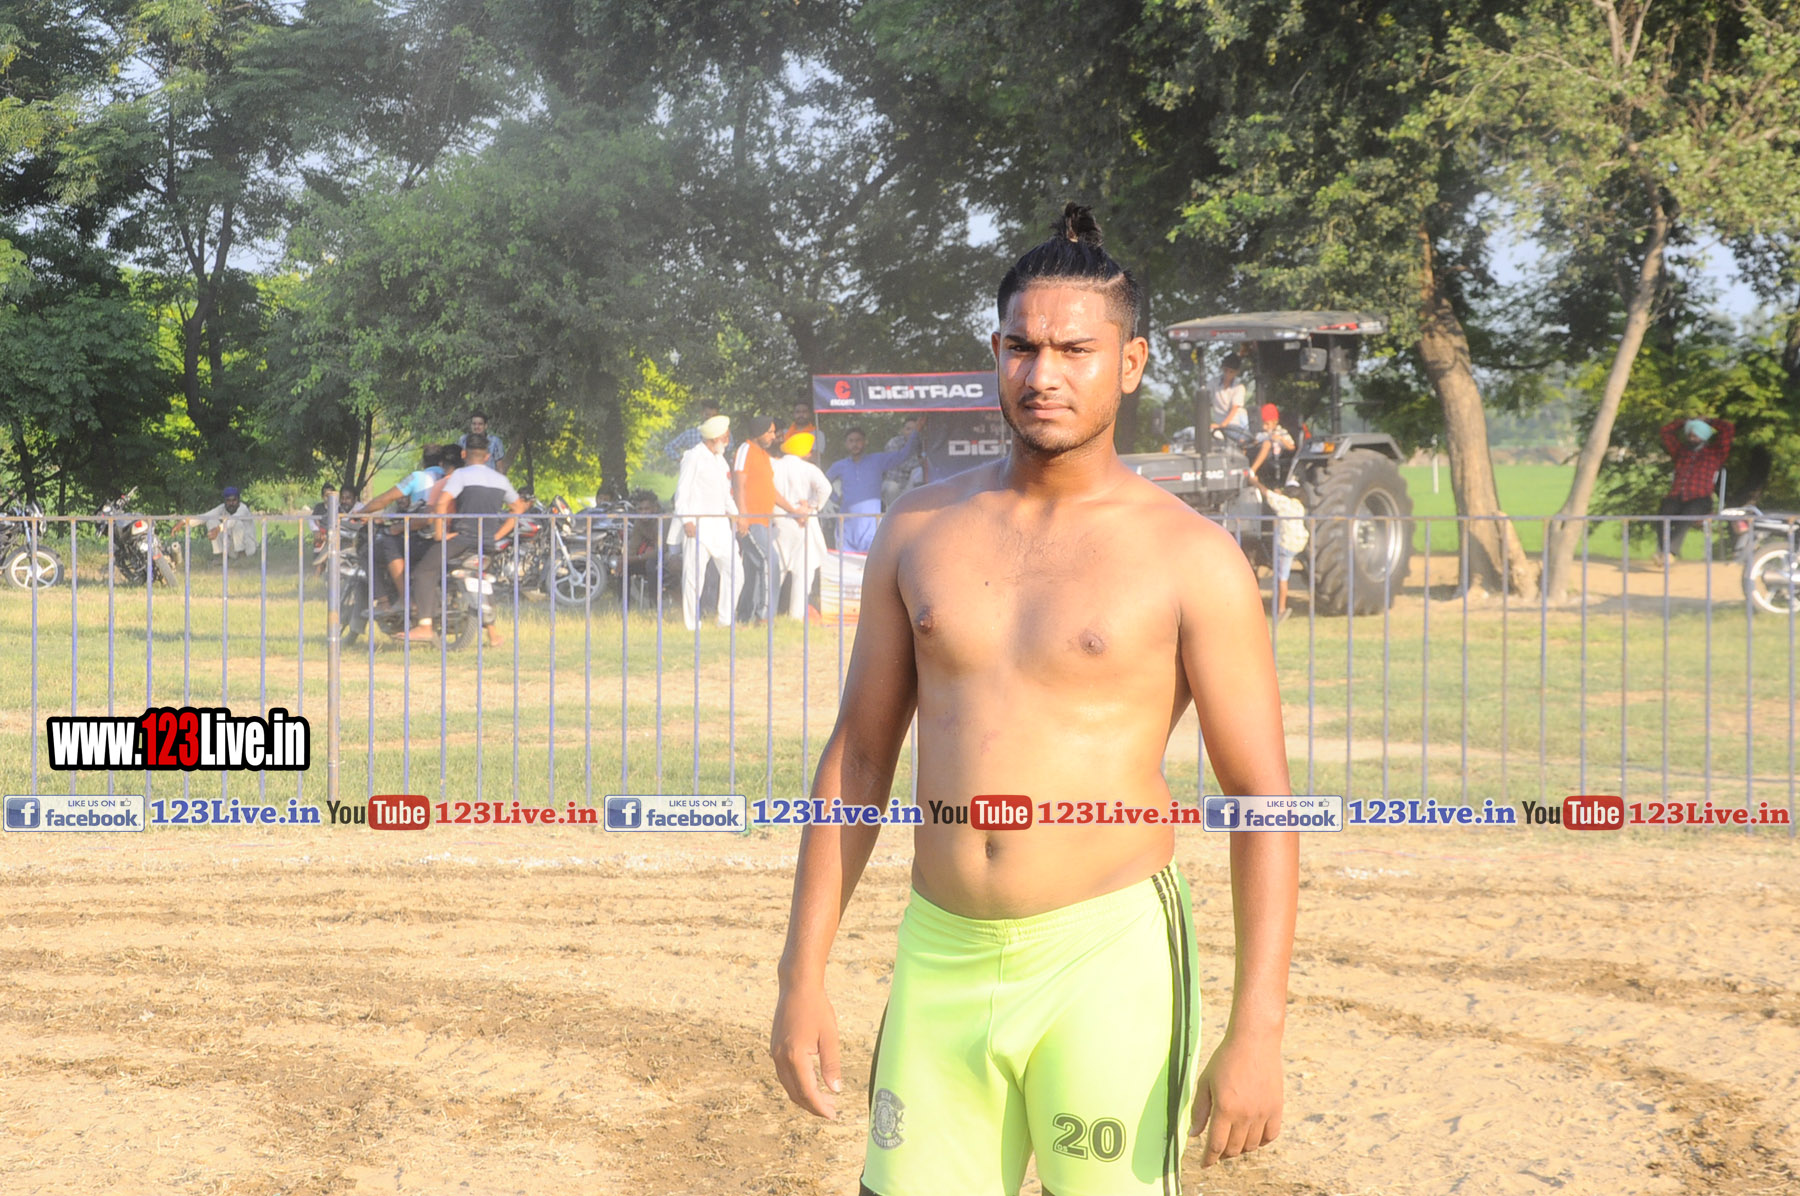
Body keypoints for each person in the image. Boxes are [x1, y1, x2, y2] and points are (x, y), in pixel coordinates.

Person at [770, 204, 1296, 1196]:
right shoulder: (920, 529)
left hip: (1106, 958)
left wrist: (1257, 1029)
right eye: (1022, 347)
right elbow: (861, 756)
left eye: (1074, 350)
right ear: (996, 353)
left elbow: (1261, 798)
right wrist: (803, 973)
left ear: (1130, 363)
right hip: (940, 948)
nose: (1043, 374)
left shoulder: (1192, 557)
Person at [409, 434, 527, 643]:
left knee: (424, 571)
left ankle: (425, 625)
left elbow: (441, 503)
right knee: (481, 578)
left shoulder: (460, 475)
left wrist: (439, 534)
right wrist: (498, 534)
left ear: (464, 454)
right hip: (487, 542)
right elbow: (518, 508)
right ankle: (493, 633)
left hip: (461, 539)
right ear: (487, 456)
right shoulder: (501, 480)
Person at [670, 415, 743, 630]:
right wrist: (687, 521)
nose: (728, 440)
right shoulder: (693, 457)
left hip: (720, 525)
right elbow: (681, 492)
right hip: (698, 525)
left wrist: (736, 515)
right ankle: (691, 624)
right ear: (715, 438)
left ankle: (725, 620)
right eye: (725, 437)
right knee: (694, 576)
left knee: (736, 572)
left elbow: (726, 495)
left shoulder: (721, 460)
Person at [352, 446, 446, 610]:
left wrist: (361, 512)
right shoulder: (451, 477)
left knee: (371, 551)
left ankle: (390, 601)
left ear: (423, 462)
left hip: (420, 536)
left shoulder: (418, 477)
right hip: (448, 537)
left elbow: (385, 499)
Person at [733, 414, 803, 623]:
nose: (774, 436)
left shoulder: (763, 455)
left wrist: (793, 511)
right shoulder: (745, 450)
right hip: (751, 521)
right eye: (770, 432)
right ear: (759, 433)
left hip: (764, 522)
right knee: (769, 561)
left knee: (754, 569)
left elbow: (771, 491)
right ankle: (764, 616)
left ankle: (745, 617)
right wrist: (742, 515)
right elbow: (738, 484)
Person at [826, 422, 919, 554]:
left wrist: (916, 432)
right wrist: (836, 499)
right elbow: (823, 482)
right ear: (846, 444)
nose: (855, 444)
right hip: (847, 526)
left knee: (870, 561)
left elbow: (903, 455)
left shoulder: (877, 460)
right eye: (851, 441)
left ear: (865, 442)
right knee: (845, 563)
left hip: (871, 525)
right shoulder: (839, 466)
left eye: (858, 440)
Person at [1654, 415, 1734, 566]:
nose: (1691, 438)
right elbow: (1665, 432)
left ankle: (1669, 553)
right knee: (1663, 515)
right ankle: (1664, 552)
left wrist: (1709, 421)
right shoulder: (1681, 451)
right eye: (1690, 435)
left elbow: (1728, 429)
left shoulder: (1715, 453)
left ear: (1703, 437)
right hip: (1677, 496)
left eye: (1695, 435)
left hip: (1700, 499)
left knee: (1686, 517)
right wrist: (1685, 421)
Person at [772, 431, 832, 618]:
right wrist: (812, 505)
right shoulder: (809, 469)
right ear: (805, 452)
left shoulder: (774, 466)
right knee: (803, 571)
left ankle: (768, 612)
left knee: (776, 570)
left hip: (779, 521)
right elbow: (826, 488)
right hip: (803, 522)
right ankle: (796, 615)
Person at [1255, 476, 1308, 622]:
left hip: (1285, 544)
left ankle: (1281, 609)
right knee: (1283, 575)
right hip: (1298, 543)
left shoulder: (1284, 503)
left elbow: (1267, 494)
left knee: (1282, 578)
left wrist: (1254, 481)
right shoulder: (1299, 506)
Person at [182, 487, 260, 560]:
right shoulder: (222, 508)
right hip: (232, 548)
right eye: (228, 500)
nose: (231, 503)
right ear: (225, 501)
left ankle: (242, 558)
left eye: (234, 500)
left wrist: (218, 529)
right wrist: (184, 521)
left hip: (248, 548)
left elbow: (232, 520)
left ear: (238, 500)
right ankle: (220, 556)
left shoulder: (243, 509)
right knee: (211, 521)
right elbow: (206, 516)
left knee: (237, 523)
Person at [1208, 352, 1252, 447]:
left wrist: (1222, 425)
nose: (1227, 374)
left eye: (1231, 372)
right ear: (1222, 369)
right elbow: (1205, 403)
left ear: (1236, 372)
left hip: (1236, 425)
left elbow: (1234, 409)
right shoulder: (1213, 383)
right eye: (1225, 370)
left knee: (1242, 441)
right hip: (1218, 424)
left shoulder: (1239, 387)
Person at [881, 416, 926, 508]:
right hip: (894, 483)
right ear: (902, 430)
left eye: (914, 430)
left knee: (919, 471)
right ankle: (892, 513)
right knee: (891, 487)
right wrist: (920, 462)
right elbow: (900, 463)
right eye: (908, 429)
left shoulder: (922, 443)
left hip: (909, 486)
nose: (911, 432)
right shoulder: (894, 442)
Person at [1246, 403, 1297, 484]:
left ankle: (1252, 470)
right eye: (1263, 424)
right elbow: (1254, 442)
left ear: (1275, 422)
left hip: (1274, 455)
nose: (1264, 427)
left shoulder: (1282, 432)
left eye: (1267, 424)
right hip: (1258, 453)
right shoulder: (1262, 433)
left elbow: (1292, 447)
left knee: (1267, 443)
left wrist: (1281, 439)